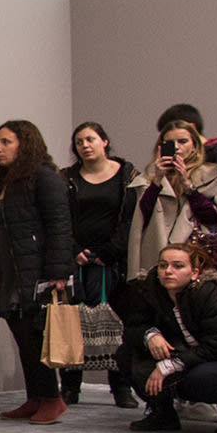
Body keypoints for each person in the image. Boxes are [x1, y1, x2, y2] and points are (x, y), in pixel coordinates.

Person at [0, 121, 73, 424]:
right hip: (6, 271)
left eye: (6, 142)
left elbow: (59, 227)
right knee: (21, 334)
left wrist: (57, 272)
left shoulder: (44, 178)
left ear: (25, 144)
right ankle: (36, 397)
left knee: (35, 334)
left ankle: (53, 398)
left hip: (34, 270)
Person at [112, 243, 217, 433]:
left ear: (194, 272)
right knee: (126, 354)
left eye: (178, 266)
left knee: (202, 378)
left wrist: (171, 365)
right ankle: (162, 413)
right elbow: (133, 326)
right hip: (182, 355)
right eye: (163, 265)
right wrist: (150, 335)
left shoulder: (208, 295)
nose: (168, 271)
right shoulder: (149, 289)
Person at [61, 122, 140, 409]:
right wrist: (74, 251)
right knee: (73, 324)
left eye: (91, 139)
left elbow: (131, 218)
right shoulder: (66, 178)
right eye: (79, 141)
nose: (85, 145)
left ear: (105, 141)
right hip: (77, 261)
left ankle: (121, 387)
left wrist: (111, 251)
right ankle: (70, 386)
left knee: (117, 324)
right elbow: (61, 219)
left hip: (113, 260)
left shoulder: (127, 176)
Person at [121, 121, 217, 283]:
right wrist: (157, 180)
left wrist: (188, 186)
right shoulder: (147, 180)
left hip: (197, 255)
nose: (176, 147)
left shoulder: (211, 174)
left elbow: (213, 218)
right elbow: (142, 218)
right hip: (159, 255)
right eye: (170, 143)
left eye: (183, 142)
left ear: (194, 146)